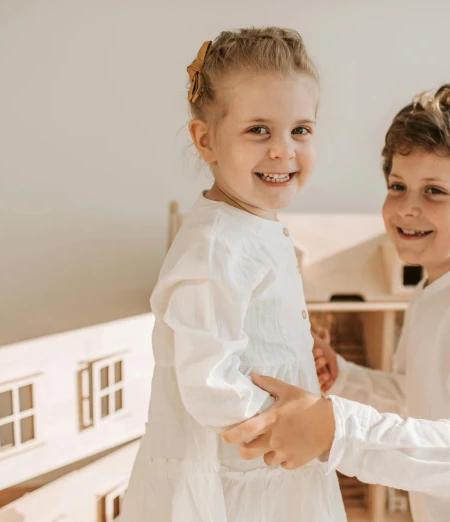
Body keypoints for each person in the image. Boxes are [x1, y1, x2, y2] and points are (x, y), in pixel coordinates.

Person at [222, 84, 450, 522]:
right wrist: (345, 379)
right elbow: (417, 402)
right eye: (398, 186)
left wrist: (338, 428)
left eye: (434, 191)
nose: (406, 208)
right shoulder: (435, 292)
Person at [119, 27, 347, 522]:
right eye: (258, 130)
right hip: (232, 481)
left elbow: (250, 337)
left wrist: (297, 365)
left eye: (301, 130)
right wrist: (291, 422)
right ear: (206, 140)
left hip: (268, 471)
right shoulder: (215, 243)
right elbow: (208, 381)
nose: (284, 150)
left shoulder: (255, 227)